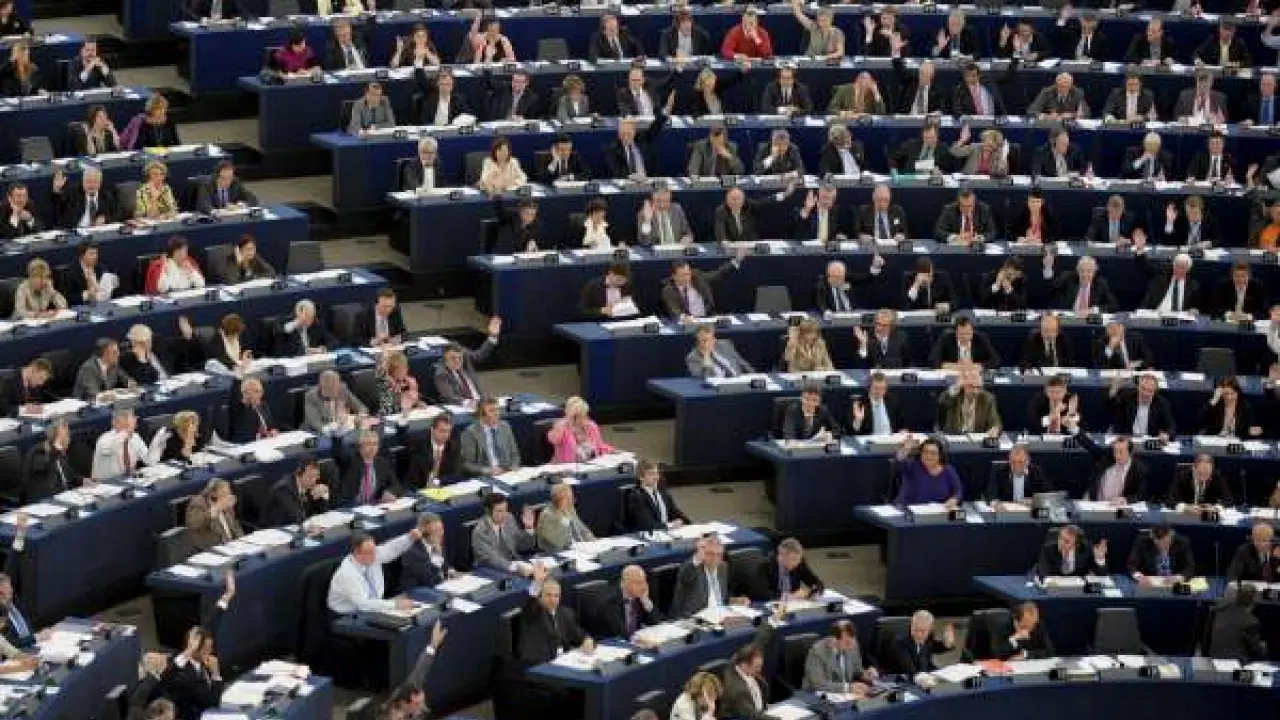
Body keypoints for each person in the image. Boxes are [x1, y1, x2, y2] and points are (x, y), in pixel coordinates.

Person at [160, 574, 233, 720]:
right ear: (194, 650)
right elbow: (211, 703)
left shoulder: (198, 654)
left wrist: (228, 594)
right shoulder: (185, 675)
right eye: (207, 649)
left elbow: (213, 621)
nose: (211, 651)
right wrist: (215, 674)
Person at [327, 529, 419, 615]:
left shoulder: (373, 554)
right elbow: (364, 604)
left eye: (374, 550)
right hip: (347, 614)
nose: (374, 555)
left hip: (372, 606)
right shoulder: (347, 574)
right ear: (356, 552)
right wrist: (395, 604)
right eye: (369, 552)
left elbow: (391, 549)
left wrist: (409, 538)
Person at [518, 563, 592, 665]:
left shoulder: (566, 613)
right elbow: (530, 605)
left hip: (563, 661)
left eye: (556, 596)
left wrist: (587, 640)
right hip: (539, 664)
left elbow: (579, 634)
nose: (552, 599)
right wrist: (537, 583)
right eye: (548, 595)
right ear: (540, 597)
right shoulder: (534, 613)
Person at [670, 534, 747, 618]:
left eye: (719, 555)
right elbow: (686, 574)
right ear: (702, 554)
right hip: (694, 617)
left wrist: (735, 600)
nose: (715, 559)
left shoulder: (723, 567)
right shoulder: (692, 569)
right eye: (710, 554)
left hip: (720, 615)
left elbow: (721, 596)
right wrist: (697, 557)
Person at [432, 317, 500, 403]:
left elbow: (479, 355)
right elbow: (449, 397)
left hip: (481, 402)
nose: (457, 361)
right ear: (445, 358)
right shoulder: (441, 374)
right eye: (453, 358)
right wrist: (470, 403)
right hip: (464, 407)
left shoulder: (465, 358)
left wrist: (493, 336)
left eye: (459, 358)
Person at [803, 620, 876, 695]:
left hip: (845, 695)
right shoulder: (817, 652)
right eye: (847, 642)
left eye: (853, 640)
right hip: (815, 695)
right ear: (833, 639)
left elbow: (857, 671)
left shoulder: (853, 645)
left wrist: (866, 675)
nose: (851, 646)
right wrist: (848, 688)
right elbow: (819, 684)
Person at [471, 493, 536, 574]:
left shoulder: (509, 518)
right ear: (488, 511)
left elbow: (522, 546)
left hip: (515, 564)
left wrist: (529, 528)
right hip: (491, 570)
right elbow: (492, 559)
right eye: (500, 511)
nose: (505, 514)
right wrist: (516, 567)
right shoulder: (480, 532)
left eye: (506, 509)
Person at [661, 255, 742, 319]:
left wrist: (736, 261)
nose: (687, 278)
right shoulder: (668, 290)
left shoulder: (698, 277)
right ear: (674, 276)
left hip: (708, 318)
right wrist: (683, 318)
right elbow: (675, 311)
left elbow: (718, 274)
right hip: (688, 323)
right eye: (682, 275)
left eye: (688, 274)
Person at [1078, 432, 1148, 503]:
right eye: (1115, 451)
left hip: (1117, 505)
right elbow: (1090, 446)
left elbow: (1140, 494)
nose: (1117, 456)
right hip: (1095, 501)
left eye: (1121, 452)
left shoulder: (1139, 469)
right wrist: (1075, 430)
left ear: (1130, 453)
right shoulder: (1107, 456)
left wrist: (1126, 500)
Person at [459, 397, 521, 476]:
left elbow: (515, 454)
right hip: (487, 474)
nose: (497, 413)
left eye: (498, 409)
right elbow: (467, 464)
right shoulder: (470, 433)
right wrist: (486, 470)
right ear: (481, 415)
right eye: (492, 411)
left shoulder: (505, 426)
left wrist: (513, 467)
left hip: (508, 472)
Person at [91, 406, 158, 480]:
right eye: (126, 423)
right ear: (114, 423)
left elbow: (150, 461)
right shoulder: (105, 439)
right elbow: (110, 448)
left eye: (130, 422)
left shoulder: (135, 437)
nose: (130, 428)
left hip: (129, 480)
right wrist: (127, 432)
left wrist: (157, 444)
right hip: (105, 483)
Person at [893, 437, 962, 506]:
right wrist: (906, 448)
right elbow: (898, 462)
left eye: (933, 453)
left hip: (937, 509)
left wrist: (954, 499)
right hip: (906, 508)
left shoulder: (948, 470)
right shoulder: (912, 465)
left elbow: (957, 491)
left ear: (940, 455)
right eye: (925, 452)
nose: (928, 456)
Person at [624, 459, 689, 531]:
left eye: (657, 473)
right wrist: (671, 525)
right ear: (641, 477)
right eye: (651, 474)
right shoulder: (636, 497)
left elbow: (676, 512)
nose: (656, 477)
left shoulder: (662, 492)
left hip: (669, 532)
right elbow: (647, 525)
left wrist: (687, 523)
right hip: (650, 534)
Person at [22, 418, 78, 501]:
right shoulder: (38, 452)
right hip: (43, 500)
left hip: (62, 496)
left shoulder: (60, 452)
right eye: (66, 435)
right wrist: (58, 445)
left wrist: (82, 481)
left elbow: (68, 474)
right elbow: (46, 464)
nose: (69, 439)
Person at [720, 635, 775, 720]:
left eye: (760, 666)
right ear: (744, 665)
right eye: (757, 667)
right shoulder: (738, 689)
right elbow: (752, 715)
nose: (760, 670)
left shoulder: (739, 663)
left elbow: (758, 643)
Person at [264, 458, 331, 528]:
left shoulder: (309, 486)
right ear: (298, 474)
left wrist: (324, 497)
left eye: (316, 476)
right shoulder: (283, 489)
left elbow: (321, 513)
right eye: (310, 476)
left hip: (296, 526)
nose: (314, 480)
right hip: (277, 529)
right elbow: (297, 515)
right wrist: (311, 497)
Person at [887, 610, 956, 677]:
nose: (919, 635)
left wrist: (947, 644)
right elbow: (910, 670)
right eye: (915, 630)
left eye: (923, 631)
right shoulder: (900, 642)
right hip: (902, 678)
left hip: (925, 670)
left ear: (930, 629)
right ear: (911, 625)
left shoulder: (929, 636)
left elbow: (932, 647)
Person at [1107, 373, 1176, 439]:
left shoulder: (1162, 403)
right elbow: (1116, 420)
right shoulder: (1126, 398)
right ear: (1138, 387)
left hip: (1149, 440)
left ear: (1155, 391)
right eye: (1143, 389)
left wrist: (1167, 435)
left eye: (1150, 391)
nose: (1145, 393)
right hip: (1127, 437)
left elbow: (1171, 427)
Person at [1207, 587, 1268, 661]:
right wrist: (1263, 647)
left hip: (1211, 658)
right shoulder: (1251, 621)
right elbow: (1256, 649)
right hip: (1235, 661)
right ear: (1254, 603)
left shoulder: (1216, 612)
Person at [548, 396, 614, 464]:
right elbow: (554, 440)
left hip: (591, 465)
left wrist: (612, 451)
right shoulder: (561, 427)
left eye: (582, 415)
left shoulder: (591, 426)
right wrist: (562, 425)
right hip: (568, 467)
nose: (579, 419)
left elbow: (600, 445)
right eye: (575, 416)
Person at [603, 112, 668, 181]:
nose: (626, 136)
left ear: (634, 132)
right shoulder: (611, 149)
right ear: (619, 134)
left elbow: (655, 128)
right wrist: (632, 177)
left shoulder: (642, 139)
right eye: (623, 133)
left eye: (629, 133)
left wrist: (665, 113)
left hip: (648, 181)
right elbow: (618, 173)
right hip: (628, 184)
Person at [938, 366, 1002, 435]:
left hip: (977, 437)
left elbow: (995, 420)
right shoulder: (954, 395)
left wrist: (995, 428)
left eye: (978, 387)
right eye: (972, 386)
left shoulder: (987, 398)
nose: (975, 391)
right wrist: (956, 387)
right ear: (964, 385)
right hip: (954, 435)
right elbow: (942, 402)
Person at [1135, 249, 1201, 314]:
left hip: (1180, 317)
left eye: (1183, 267)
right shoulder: (1161, 277)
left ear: (1188, 269)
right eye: (1177, 266)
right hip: (1157, 314)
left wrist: (1194, 310)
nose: (1179, 270)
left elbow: (1195, 306)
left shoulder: (1193, 285)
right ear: (1173, 266)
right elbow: (1147, 267)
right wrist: (1140, 251)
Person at [52, 167, 118, 231]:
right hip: (74, 231)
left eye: (95, 182)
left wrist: (105, 219)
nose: (91, 185)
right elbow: (58, 202)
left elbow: (117, 214)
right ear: (82, 182)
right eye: (88, 182)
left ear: (100, 183)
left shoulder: (107, 195)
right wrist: (57, 190)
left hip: (97, 232)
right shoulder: (73, 192)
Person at [185, 478, 243, 551]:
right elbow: (193, 524)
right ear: (213, 494)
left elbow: (235, 525)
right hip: (211, 547)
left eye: (229, 491)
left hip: (232, 545)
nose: (228, 495)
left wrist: (242, 540)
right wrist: (216, 508)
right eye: (224, 492)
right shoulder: (198, 503)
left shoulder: (227, 504)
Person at [341, 430, 398, 505]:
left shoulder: (382, 463)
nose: (372, 448)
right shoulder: (351, 462)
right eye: (368, 444)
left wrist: (390, 492)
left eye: (375, 444)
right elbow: (339, 453)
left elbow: (396, 485)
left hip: (374, 506)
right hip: (351, 506)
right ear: (360, 447)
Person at [536, 483, 596, 553]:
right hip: (558, 552)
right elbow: (559, 541)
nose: (573, 500)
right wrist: (564, 518)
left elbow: (582, 529)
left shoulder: (569, 508)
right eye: (569, 498)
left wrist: (594, 542)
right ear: (559, 500)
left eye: (572, 497)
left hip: (580, 548)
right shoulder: (548, 515)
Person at [302, 370, 369, 432]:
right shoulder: (311, 396)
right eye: (332, 387)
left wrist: (361, 416)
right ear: (323, 386)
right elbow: (314, 421)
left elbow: (361, 407)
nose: (336, 389)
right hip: (317, 430)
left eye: (337, 384)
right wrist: (330, 428)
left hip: (343, 427)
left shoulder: (342, 389)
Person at [400, 513, 452, 591]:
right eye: (435, 531)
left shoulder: (438, 542)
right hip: (418, 588)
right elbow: (428, 579)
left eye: (441, 529)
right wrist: (438, 553)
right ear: (423, 533)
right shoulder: (412, 551)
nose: (441, 534)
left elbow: (444, 566)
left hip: (438, 584)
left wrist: (450, 572)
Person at [404, 415, 458, 490]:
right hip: (421, 487)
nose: (446, 435)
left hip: (443, 487)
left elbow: (455, 474)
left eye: (448, 431)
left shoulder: (453, 446)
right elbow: (412, 479)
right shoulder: (419, 447)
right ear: (432, 430)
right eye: (442, 431)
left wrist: (437, 481)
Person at [814, 257, 883, 313]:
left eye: (841, 277)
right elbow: (820, 302)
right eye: (836, 277)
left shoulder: (846, 278)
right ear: (828, 276)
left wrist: (876, 267)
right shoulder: (821, 285)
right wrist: (826, 312)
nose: (839, 280)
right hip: (834, 315)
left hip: (852, 313)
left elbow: (866, 278)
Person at [987, 445, 1052, 503]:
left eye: (1020, 462)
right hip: (1006, 509)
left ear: (1027, 462)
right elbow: (991, 493)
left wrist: (1033, 500)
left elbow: (1048, 494)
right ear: (1009, 461)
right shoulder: (999, 471)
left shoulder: (1036, 471)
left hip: (1028, 510)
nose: (1016, 466)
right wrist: (995, 502)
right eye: (1013, 462)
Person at [1128, 525, 1195, 581]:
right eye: (1158, 544)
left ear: (1171, 534)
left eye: (1166, 544)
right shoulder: (1142, 541)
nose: (1162, 547)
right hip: (1150, 581)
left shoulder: (1183, 542)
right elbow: (1131, 565)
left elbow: (1190, 567)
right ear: (1151, 536)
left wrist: (1177, 578)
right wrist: (1140, 577)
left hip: (1174, 582)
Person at [930, 317, 1000, 370]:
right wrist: (948, 366)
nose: (965, 337)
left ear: (972, 331)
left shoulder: (980, 338)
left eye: (968, 333)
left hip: (973, 375)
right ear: (956, 333)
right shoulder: (946, 338)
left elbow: (996, 360)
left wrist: (979, 366)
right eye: (961, 334)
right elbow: (932, 360)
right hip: (953, 374)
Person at [685, 326, 753, 379]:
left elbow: (742, 362)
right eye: (704, 341)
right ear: (697, 342)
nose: (709, 343)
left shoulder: (725, 344)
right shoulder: (692, 358)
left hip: (738, 380)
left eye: (711, 339)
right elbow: (705, 378)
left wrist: (754, 376)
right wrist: (706, 356)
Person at [1167, 454, 1235, 507]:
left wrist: (1215, 507)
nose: (1203, 477)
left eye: (1207, 473)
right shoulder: (1182, 476)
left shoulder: (1216, 476)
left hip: (1207, 517)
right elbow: (1170, 500)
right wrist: (1186, 507)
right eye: (1200, 473)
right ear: (1194, 468)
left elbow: (1229, 500)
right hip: (1186, 515)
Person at [1149, 197, 1218, 248]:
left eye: (1195, 213)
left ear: (1202, 211)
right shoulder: (1181, 222)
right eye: (1188, 213)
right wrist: (1170, 223)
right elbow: (1167, 243)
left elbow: (1220, 241)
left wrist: (1210, 243)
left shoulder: (1210, 222)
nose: (1191, 216)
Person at [376, 350, 422, 416]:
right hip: (389, 414)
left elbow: (414, 401)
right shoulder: (386, 383)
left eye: (405, 369)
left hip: (408, 414)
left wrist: (418, 403)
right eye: (399, 370)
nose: (403, 372)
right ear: (392, 371)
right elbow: (389, 407)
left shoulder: (410, 381)